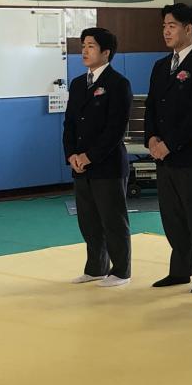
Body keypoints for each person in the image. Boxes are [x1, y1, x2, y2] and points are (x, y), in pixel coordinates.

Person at [144, 3, 192, 293]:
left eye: (172, 25)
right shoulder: (161, 66)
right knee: (172, 216)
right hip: (163, 155)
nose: (166, 31)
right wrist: (151, 138)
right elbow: (151, 106)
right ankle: (181, 269)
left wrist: (170, 144)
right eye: (164, 26)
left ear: (188, 29)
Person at [63, 27, 133, 287]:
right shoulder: (78, 84)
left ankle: (121, 271)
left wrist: (90, 156)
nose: (84, 50)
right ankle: (95, 267)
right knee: (88, 220)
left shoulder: (118, 83)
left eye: (91, 46)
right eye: (83, 45)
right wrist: (72, 155)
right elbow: (70, 124)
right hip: (80, 165)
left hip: (107, 165)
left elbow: (115, 129)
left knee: (112, 220)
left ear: (106, 52)